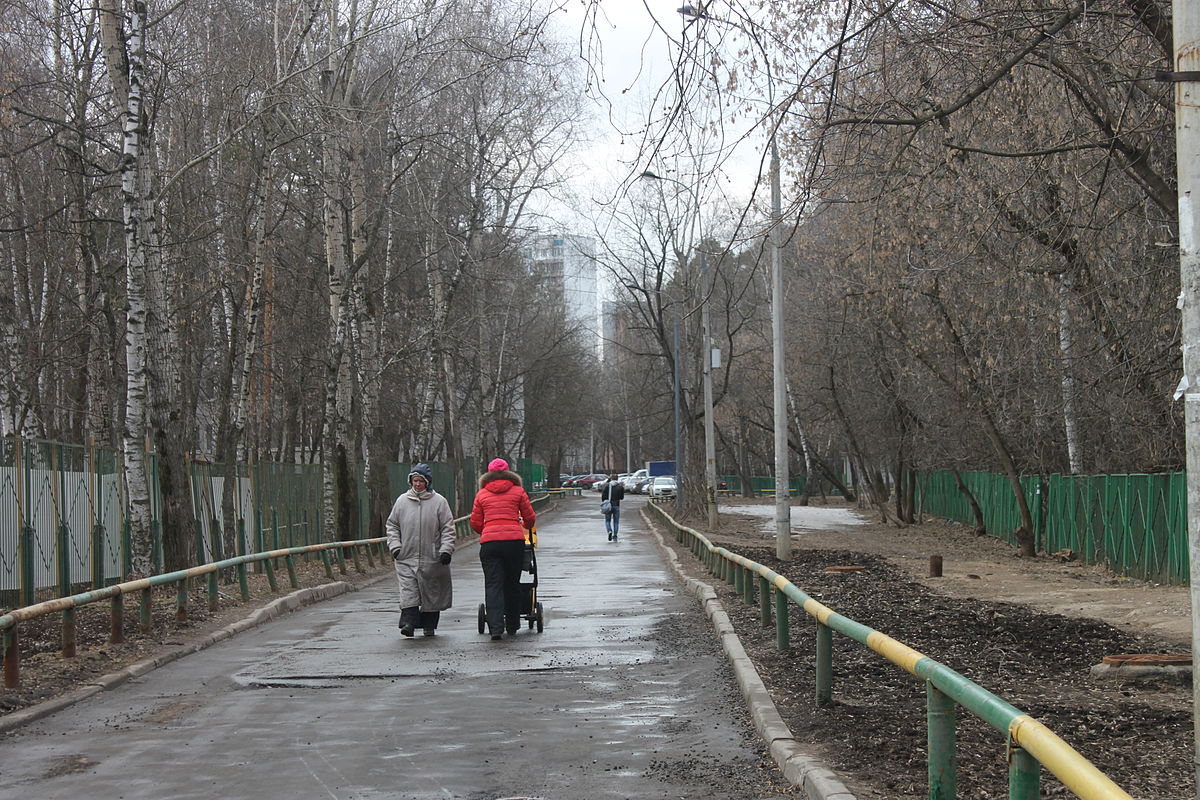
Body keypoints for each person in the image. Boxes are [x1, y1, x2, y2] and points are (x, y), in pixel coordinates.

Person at [385, 463, 455, 637]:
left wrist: (446, 550)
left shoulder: (439, 502)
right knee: (409, 590)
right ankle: (408, 623)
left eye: (421, 481)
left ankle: (429, 625)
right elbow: (392, 525)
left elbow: (448, 528)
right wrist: (395, 547)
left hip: (432, 557)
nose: (417, 484)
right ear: (410, 481)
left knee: (431, 592)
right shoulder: (402, 501)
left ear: (427, 482)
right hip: (406, 556)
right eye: (415, 481)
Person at [470, 457, 536, 641]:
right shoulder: (518, 491)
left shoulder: (482, 494)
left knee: (493, 585)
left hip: (490, 544)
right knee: (512, 583)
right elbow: (530, 518)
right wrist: (521, 524)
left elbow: (475, 522)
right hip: (513, 542)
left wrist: (488, 531)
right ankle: (513, 625)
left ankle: (496, 628)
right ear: (509, 472)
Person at [600, 474, 624, 541]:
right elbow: (621, 498)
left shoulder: (607, 486)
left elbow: (603, 496)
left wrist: (605, 502)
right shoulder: (620, 487)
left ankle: (609, 531)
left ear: (611, 478)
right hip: (616, 505)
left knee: (607, 520)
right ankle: (615, 536)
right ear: (617, 479)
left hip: (608, 506)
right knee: (616, 522)